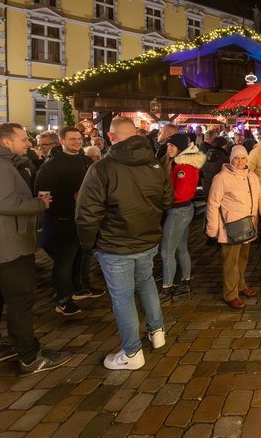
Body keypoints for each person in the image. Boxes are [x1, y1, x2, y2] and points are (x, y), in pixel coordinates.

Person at [0, 123, 71, 375]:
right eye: (23, 139)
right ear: (6, 142)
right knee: (20, 299)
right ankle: (29, 356)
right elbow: (1, 203)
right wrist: (38, 204)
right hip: (7, 245)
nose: (28, 143)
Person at [76, 117, 173, 370]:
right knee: (145, 283)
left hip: (115, 244)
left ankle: (131, 353)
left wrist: (88, 244)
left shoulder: (102, 168)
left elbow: (86, 214)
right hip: (146, 239)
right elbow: (167, 200)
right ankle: (157, 332)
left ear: (111, 137)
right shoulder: (154, 164)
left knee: (123, 297)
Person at [35, 126, 99, 316]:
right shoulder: (51, 165)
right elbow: (42, 196)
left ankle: (80, 288)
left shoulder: (86, 161)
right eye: (72, 139)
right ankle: (62, 299)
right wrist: (70, 198)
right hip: (63, 219)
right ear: (62, 141)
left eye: (79, 139)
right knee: (64, 261)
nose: (77, 142)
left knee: (82, 255)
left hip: (85, 218)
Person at [205, 145, 261, 309]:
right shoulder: (222, 178)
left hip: (248, 226)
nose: (239, 161)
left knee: (242, 259)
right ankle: (230, 294)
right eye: (236, 158)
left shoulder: (252, 176)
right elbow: (212, 204)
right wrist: (212, 229)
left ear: (247, 159)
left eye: (242, 158)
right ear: (231, 159)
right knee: (230, 262)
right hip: (231, 228)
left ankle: (241, 285)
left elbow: (260, 196)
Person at [159, 133, 204, 303]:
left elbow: (181, 194)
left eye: (172, 146)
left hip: (177, 211)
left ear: (180, 148)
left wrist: (161, 198)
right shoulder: (181, 164)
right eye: (168, 146)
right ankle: (185, 281)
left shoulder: (183, 167)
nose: (168, 148)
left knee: (166, 251)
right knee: (180, 249)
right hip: (183, 210)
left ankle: (167, 286)